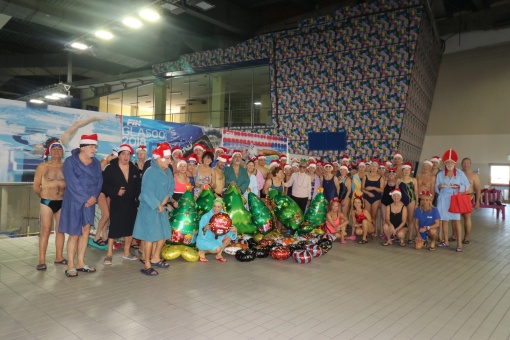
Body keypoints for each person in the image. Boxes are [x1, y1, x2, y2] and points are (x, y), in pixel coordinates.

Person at [59, 134, 103, 277]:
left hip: (90, 201)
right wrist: (86, 198)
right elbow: (72, 184)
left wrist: (94, 197)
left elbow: (99, 181)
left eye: (95, 146)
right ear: (82, 147)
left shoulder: (96, 163)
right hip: (74, 201)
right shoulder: (70, 162)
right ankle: (70, 265)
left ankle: (80, 262)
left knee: (85, 231)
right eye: (92, 146)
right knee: (74, 234)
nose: (94, 149)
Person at [132, 143, 175, 276]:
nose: (169, 161)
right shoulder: (150, 172)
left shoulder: (168, 171)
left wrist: (166, 199)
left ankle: (155, 258)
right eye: (167, 158)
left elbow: (171, 187)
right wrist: (157, 205)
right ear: (158, 158)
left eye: (169, 158)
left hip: (161, 207)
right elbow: (146, 192)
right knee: (149, 237)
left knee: (163, 234)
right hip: (149, 209)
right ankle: (147, 264)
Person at [101, 144, 141, 265]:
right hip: (117, 203)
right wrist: (115, 191)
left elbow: (138, 188)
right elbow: (103, 185)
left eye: (128, 154)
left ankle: (127, 252)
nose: (125, 157)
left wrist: (138, 202)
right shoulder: (110, 168)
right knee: (114, 228)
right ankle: (109, 254)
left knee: (129, 229)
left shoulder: (134, 169)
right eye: (123, 154)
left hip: (131, 203)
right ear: (118, 156)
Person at [33, 141, 67, 270]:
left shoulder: (66, 167)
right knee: (46, 230)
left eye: (59, 149)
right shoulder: (43, 166)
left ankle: (59, 257)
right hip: (47, 201)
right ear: (50, 152)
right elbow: (36, 186)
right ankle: (42, 259)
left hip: (62, 202)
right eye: (54, 149)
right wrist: (44, 197)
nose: (57, 151)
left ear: (63, 152)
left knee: (60, 230)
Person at [435, 148, 470, 252]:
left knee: (456, 221)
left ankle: (459, 244)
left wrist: (459, 187)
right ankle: (446, 241)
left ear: (454, 163)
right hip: (443, 199)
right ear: (444, 163)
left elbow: (467, 185)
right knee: (444, 220)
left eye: (451, 162)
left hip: (455, 199)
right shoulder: (440, 174)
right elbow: (436, 185)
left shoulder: (460, 174)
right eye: (447, 162)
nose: (449, 163)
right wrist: (439, 186)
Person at [197, 198, 237, 262]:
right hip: (205, 239)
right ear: (212, 206)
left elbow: (229, 229)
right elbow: (200, 233)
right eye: (214, 206)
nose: (216, 209)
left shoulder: (225, 217)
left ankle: (219, 255)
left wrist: (234, 230)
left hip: (218, 238)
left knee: (229, 237)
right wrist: (205, 228)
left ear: (221, 207)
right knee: (217, 248)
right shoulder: (205, 217)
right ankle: (202, 251)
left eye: (218, 207)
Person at [92, 148, 118, 246]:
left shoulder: (113, 166)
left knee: (107, 215)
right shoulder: (103, 162)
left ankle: (104, 235)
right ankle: (97, 236)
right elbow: (95, 177)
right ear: (111, 156)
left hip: (108, 192)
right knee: (106, 214)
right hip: (100, 191)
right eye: (115, 158)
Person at [456, 157, 481, 244]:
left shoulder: (474, 175)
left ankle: (466, 237)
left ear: (470, 164)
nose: (466, 164)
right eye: (464, 163)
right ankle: (454, 235)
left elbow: (478, 190)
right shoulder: (458, 173)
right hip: (457, 196)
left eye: (467, 163)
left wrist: (477, 202)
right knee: (455, 217)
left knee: (467, 217)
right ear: (461, 164)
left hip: (468, 197)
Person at [397, 162, 418, 244]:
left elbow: (416, 192)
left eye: (408, 170)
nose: (406, 171)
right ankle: (399, 234)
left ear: (410, 171)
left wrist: (417, 203)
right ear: (402, 171)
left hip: (411, 200)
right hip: (401, 201)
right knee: (401, 219)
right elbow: (396, 192)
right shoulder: (399, 180)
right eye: (404, 170)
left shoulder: (414, 180)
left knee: (410, 219)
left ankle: (410, 237)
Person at [362, 161, 385, 235]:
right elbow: (362, 189)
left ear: (377, 168)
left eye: (376, 166)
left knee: (374, 216)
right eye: (373, 166)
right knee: (367, 215)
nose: (374, 168)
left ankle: (373, 231)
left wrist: (373, 188)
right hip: (367, 197)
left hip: (376, 198)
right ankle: (368, 230)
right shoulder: (365, 177)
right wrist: (368, 193)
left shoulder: (380, 178)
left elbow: (382, 190)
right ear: (370, 167)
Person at [380, 167, 397, 238]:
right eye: (390, 174)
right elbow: (381, 192)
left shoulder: (397, 183)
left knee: (392, 219)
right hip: (384, 202)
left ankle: (393, 232)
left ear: (395, 175)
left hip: (393, 203)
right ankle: (384, 232)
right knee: (384, 218)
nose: (391, 175)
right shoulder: (385, 182)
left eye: (393, 174)